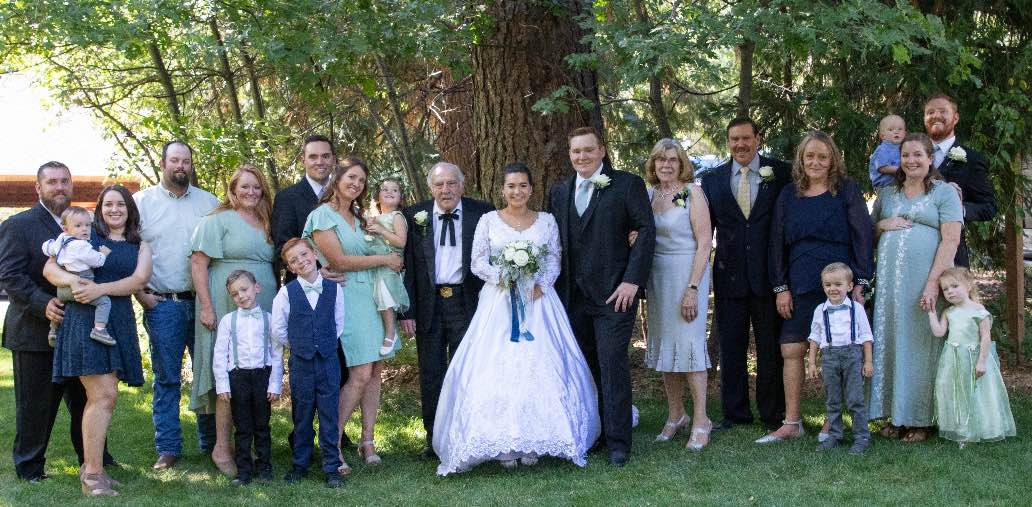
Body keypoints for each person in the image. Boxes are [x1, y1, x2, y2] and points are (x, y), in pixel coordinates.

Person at [433, 163, 600, 474]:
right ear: (502, 190)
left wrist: (540, 283)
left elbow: (553, 259)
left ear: (531, 189)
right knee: (496, 368)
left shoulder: (547, 221)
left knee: (540, 365)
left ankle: (534, 441)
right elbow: (478, 261)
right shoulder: (488, 221)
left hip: (538, 302)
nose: (517, 191)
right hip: (498, 302)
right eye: (511, 186)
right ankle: (504, 444)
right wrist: (505, 277)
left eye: (523, 185)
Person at [549, 127, 655, 467]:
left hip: (615, 296)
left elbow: (646, 231)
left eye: (588, 150)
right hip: (573, 297)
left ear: (602, 150)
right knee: (587, 369)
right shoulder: (560, 191)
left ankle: (619, 442)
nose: (582, 156)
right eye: (576, 151)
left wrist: (632, 282)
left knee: (612, 365)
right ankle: (597, 434)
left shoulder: (626, 184)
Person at [0, 161, 112, 482]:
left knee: (84, 398)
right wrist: (42, 304)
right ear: (38, 188)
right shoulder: (18, 225)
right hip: (35, 330)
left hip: (78, 329)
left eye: (65, 181)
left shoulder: (84, 224)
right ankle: (30, 467)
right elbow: (10, 276)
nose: (59, 187)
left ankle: (94, 460)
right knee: (36, 405)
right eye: (52, 182)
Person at [761, 131, 873, 444]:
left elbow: (863, 235)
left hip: (837, 281)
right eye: (810, 156)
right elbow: (775, 243)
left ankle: (831, 422)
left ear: (833, 159)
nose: (816, 162)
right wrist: (780, 286)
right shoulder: (788, 194)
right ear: (801, 159)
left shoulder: (847, 191)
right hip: (798, 279)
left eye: (823, 156)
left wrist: (860, 281)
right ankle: (792, 421)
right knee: (792, 348)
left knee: (837, 351)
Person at [45, 185, 151, 496]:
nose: (114, 209)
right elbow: (49, 267)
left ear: (130, 209)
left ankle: (95, 468)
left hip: (117, 321)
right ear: (99, 209)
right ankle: (92, 475)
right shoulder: (86, 236)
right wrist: (75, 281)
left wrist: (99, 290)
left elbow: (139, 280)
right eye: (108, 204)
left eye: (121, 204)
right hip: (85, 321)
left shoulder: (139, 244)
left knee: (105, 396)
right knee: (103, 395)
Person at [305, 161, 406, 471]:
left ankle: (368, 440)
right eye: (351, 177)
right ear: (337, 178)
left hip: (374, 297)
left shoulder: (362, 217)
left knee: (375, 372)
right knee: (360, 374)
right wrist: (385, 258)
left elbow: (387, 243)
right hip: (346, 297)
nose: (357, 183)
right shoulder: (322, 216)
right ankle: (331, 444)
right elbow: (339, 261)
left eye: (362, 179)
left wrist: (389, 254)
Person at [870, 132, 963, 443]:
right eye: (905, 156)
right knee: (892, 342)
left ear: (930, 158)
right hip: (888, 288)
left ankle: (921, 419)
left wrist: (933, 283)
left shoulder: (944, 193)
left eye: (917, 155)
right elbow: (869, 231)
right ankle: (895, 415)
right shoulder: (886, 194)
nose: (911, 161)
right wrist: (882, 225)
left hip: (924, 282)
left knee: (920, 345)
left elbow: (951, 240)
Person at [700, 117, 790, 432]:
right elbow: (702, 231)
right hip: (729, 275)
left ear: (758, 139)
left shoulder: (781, 173)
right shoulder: (712, 180)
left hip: (769, 277)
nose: (740, 144)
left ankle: (771, 412)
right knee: (732, 347)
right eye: (734, 139)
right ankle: (735, 412)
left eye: (745, 138)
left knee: (769, 349)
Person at [134, 141, 219, 470]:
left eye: (186, 161)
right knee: (167, 378)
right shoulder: (142, 203)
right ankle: (168, 447)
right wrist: (139, 293)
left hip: (202, 303)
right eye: (174, 160)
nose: (180, 166)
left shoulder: (209, 203)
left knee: (207, 374)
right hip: (163, 304)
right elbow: (128, 251)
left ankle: (210, 443)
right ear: (163, 163)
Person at [400, 162, 494, 459]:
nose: (446, 190)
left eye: (452, 183)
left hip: (468, 303)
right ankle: (434, 438)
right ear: (431, 188)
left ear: (462, 185)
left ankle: (470, 432)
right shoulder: (415, 217)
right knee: (432, 372)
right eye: (440, 185)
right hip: (429, 305)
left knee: (468, 371)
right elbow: (410, 270)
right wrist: (408, 312)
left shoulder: (482, 213)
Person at [190, 164, 277, 476]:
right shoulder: (218, 219)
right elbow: (198, 263)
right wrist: (207, 306)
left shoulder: (266, 220)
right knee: (229, 370)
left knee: (257, 372)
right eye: (244, 187)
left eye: (256, 187)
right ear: (233, 190)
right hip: (226, 300)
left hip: (261, 299)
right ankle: (222, 447)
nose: (251, 192)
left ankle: (253, 446)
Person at [269, 136, 354, 449]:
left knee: (336, 364)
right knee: (305, 370)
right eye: (313, 157)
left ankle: (336, 434)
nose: (320, 162)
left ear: (333, 160)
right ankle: (301, 437)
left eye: (326, 156)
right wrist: (316, 267)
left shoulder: (343, 196)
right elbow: (281, 243)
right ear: (303, 160)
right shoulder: (289, 197)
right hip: (303, 293)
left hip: (339, 290)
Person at [641, 139, 713, 450]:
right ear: (653, 164)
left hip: (687, 272)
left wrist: (693, 289)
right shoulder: (649, 194)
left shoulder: (692, 193)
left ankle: (701, 420)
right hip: (658, 276)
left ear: (681, 162)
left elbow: (704, 242)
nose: (666, 165)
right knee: (667, 348)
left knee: (691, 347)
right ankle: (675, 414)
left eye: (672, 159)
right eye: (660, 160)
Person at [273, 239, 346, 488]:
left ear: (314, 254)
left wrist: (322, 343)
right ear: (291, 268)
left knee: (329, 412)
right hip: (301, 362)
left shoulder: (334, 290)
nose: (301, 261)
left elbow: (339, 322)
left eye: (304, 254)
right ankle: (300, 463)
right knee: (302, 413)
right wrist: (300, 344)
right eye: (293, 260)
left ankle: (331, 466)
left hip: (328, 360)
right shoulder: (286, 293)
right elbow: (279, 329)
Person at [927, 267, 1015, 447]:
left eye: (954, 286)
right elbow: (938, 332)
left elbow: (985, 338)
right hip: (953, 359)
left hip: (973, 357)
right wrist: (930, 312)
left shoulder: (978, 310)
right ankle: (963, 429)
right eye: (945, 289)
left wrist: (981, 362)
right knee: (956, 392)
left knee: (977, 393)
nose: (950, 291)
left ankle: (984, 427)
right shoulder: (949, 312)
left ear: (968, 285)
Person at [213, 270, 283, 486]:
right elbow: (220, 354)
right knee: (242, 427)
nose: (241, 296)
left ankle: (264, 467)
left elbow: (277, 352)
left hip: (262, 375)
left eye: (244, 289)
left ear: (257, 288)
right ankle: (243, 470)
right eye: (235, 294)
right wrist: (222, 385)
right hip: (238, 378)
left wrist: (275, 383)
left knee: (262, 425)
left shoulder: (270, 319)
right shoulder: (228, 321)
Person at [804, 263, 873, 455]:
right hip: (829, 357)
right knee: (832, 399)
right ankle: (835, 434)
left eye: (838, 284)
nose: (832, 289)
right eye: (827, 285)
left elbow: (867, 337)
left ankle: (862, 437)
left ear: (849, 286)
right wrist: (811, 363)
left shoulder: (856, 309)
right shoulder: (820, 310)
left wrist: (868, 361)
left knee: (855, 399)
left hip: (852, 356)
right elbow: (815, 338)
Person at [923, 93, 997, 267]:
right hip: (912, 251)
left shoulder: (971, 159)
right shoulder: (911, 156)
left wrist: (958, 210)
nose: (935, 116)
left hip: (952, 257)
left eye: (942, 111)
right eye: (930, 112)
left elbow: (989, 207)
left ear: (955, 117)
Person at [42, 206, 113, 346]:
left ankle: (53, 331)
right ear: (66, 228)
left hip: (62, 287)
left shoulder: (61, 239)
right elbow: (96, 261)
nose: (85, 229)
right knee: (104, 302)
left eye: (87, 225)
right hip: (81, 283)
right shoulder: (81, 246)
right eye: (78, 226)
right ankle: (99, 329)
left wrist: (51, 250)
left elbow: (47, 247)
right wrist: (103, 253)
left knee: (61, 304)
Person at [364, 177, 410, 355]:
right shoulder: (373, 217)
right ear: (377, 197)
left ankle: (391, 333)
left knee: (385, 295)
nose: (390, 192)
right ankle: (382, 331)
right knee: (376, 297)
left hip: (390, 263)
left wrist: (382, 230)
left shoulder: (396, 217)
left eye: (395, 190)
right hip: (375, 263)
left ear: (400, 198)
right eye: (385, 189)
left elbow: (401, 241)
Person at [868, 114, 906, 189]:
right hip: (885, 186)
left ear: (905, 133)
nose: (896, 132)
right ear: (883, 136)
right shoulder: (883, 149)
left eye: (900, 129)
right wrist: (902, 169)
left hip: (898, 185)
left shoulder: (905, 147)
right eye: (891, 130)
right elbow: (882, 168)